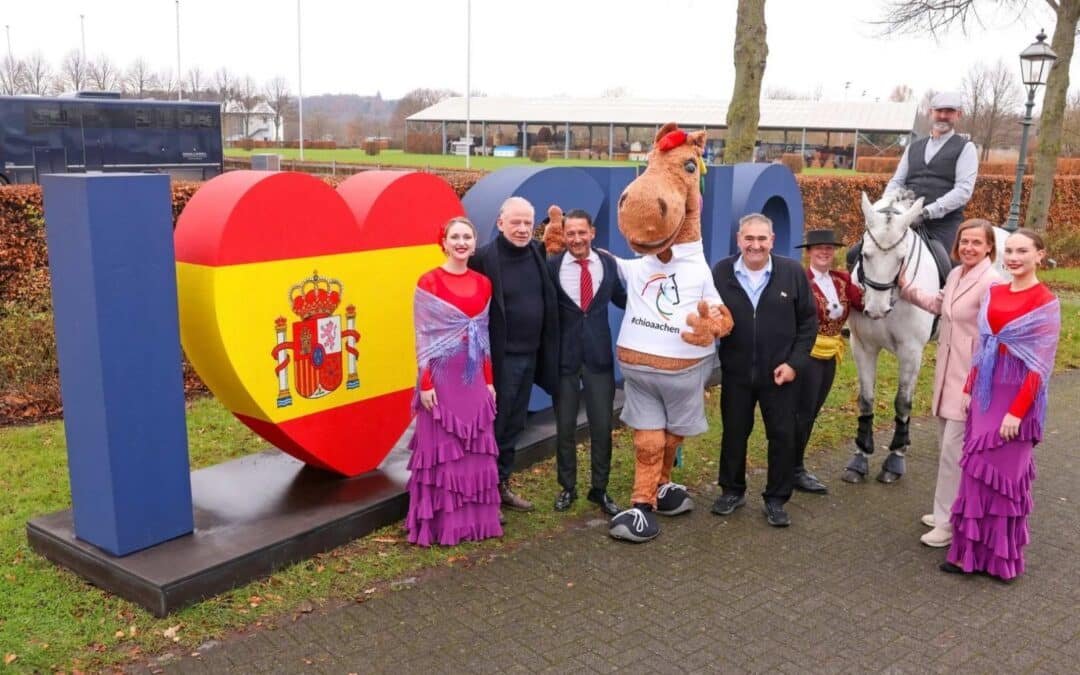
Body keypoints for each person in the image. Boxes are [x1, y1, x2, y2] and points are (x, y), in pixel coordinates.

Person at [941, 229, 1059, 581]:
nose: (1014, 258)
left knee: (1006, 481)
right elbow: (983, 346)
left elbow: (1040, 367)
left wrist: (1016, 413)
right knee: (974, 475)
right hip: (985, 395)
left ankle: (999, 561)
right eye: (1009, 251)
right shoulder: (995, 292)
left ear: (1039, 255)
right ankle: (965, 556)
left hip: (1017, 399)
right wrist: (968, 388)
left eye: (1022, 251)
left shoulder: (1046, 301)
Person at [898, 219, 1002, 548]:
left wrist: (976, 386)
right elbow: (939, 305)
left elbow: (993, 341)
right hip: (946, 375)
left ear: (989, 247)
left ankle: (946, 523)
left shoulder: (992, 283)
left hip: (968, 380)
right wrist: (907, 288)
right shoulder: (956, 274)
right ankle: (950, 509)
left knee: (952, 453)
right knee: (947, 447)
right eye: (965, 241)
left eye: (976, 242)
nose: (969, 247)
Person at [711, 213, 818, 527]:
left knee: (782, 436)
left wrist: (794, 364)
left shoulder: (792, 273)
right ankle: (732, 490)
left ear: (772, 240)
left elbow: (808, 323)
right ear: (738, 240)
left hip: (781, 374)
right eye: (749, 238)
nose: (755, 245)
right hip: (737, 373)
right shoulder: (721, 272)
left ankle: (776, 499)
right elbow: (708, 315)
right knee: (734, 433)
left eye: (761, 239)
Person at [406, 217, 503, 547]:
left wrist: (488, 381)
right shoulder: (429, 281)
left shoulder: (484, 283)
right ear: (444, 243)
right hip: (441, 376)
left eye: (467, 237)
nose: (461, 242)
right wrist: (425, 383)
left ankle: (475, 522)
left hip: (473, 375)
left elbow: (483, 336)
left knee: (475, 446)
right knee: (443, 450)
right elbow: (422, 337)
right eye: (455, 237)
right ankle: (443, 524)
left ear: (474, 244)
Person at [468, 196, 559, 513]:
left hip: (531, 355)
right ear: (500, 223)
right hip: (499, 360)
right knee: (495, 425)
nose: (522, 228)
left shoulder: (536, 252)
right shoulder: (483, 259)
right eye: (515, 222)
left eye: (527, 223)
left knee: (515, 425)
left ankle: (501, 484)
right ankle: (483, 492)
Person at [548, 209, 626, 515]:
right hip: (564, 362)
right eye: (571, 233)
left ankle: (600, 489)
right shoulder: (552, 267)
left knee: (602, 426)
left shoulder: (608, 264)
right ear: (564, 235)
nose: (577, 239)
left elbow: (625, 298)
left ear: (592, 232)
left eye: (582, 232)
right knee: (565, 428)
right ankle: (567, 487)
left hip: (599, 359)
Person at [847, 91, 978, 267]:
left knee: (947, 266)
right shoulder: (913, 147)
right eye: (939, 111)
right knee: (854, 255)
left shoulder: (966, 148)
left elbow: (963, 191)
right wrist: (888, 205)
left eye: (949, 111)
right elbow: (897, 181)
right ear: (930, 112)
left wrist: (926, 212)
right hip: (904, 219)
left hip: (942, 224)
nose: (943, 116)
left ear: (958, 114)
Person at [793, 229, 864, 495]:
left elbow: (864, 304)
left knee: (812, 411)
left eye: (829, 248)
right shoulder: (801, 280)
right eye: (819, 248)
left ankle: (794, 465)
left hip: (831, 353)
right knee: (802, 412)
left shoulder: (841, 279)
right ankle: (793, 468)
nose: (824, 252)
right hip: (807, 354)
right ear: (809, 252)